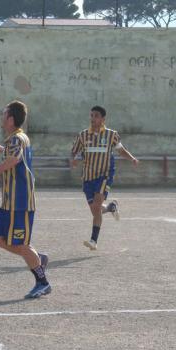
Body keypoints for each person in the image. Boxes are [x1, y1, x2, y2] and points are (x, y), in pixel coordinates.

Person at [0, 100, 50, 299]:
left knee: (21, 244)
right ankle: (37, 258)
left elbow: (14, 159)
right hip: (9, 202)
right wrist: (1, 150)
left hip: (20, 202)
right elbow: (14, 155)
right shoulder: (16, 139)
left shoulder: (16, 139)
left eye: (4, 114)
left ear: (11, 119)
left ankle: (42, 282)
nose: (2, 118)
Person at [71, 105, 139, 250]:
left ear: (103, 119)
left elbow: (121, 150)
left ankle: (93, 241)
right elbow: (74, 152)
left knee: (96, 206)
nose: (93, 118)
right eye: (91, 115)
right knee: (96, 210)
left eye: (96, 116)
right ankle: (111, 207)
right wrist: (74, 159)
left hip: (104, 175)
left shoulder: (111, 135)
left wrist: (132, 158)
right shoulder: (83, 135)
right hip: (88, 177)